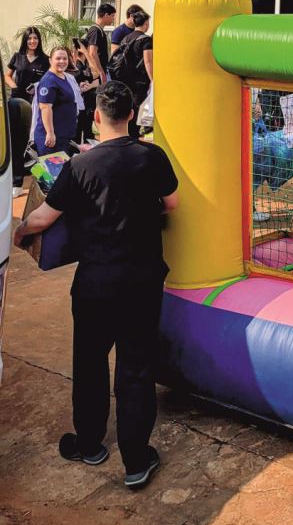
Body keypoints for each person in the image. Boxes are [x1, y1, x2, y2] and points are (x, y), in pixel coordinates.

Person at [13, 81, 179, 488]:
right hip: (142, 280)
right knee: (136, 368)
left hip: (95, 282)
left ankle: (89, 444)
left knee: (89, 362)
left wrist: (20, 231)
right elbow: (172, 204)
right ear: (131, 114)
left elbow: (43, 219)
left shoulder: (79, 167)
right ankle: (137, 461)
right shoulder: (152, 157)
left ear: (98, 117)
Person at [111, 10, 153, 138]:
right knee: (138, 109)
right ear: (146, 23)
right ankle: (134, 137)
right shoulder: (145, 40)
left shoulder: (126, 38)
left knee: (128, 108)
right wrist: (153, 79)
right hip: (139, 81)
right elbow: (148, 61)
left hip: (124, 80)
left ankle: (126, 134)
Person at [33, 46, 78, 156]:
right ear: (50, 60)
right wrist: (50, 133)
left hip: (63, 136)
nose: (62, 61)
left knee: (62, 172)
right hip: (51, 139)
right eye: (58, 58)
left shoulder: (63, 77)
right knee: (51, 173)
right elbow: (45, 108)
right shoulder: (49, 81)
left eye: (65, 58)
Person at [3, 27, 50, 102]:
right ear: (25, 40)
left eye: (35, 38)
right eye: (29, 38)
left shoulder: (46, 60)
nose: (32, 41)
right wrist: (14, 86)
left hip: (37, 101)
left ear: (39, 40)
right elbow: (7, 76)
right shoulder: (17, 56)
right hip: (17, 100)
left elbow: (49, 80)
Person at [71, 39, 99, 144]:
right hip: (81, 107)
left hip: (87, 105)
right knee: (78, 136)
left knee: (87, 134)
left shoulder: (84, 66)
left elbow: (97, 80)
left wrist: (92, 85)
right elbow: (96, 73)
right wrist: (86, 53)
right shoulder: (77, 67)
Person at [84, 3, 116, 85]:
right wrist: (101, 72)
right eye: (112, 16)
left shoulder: (100, 31)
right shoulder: (95, 30)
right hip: (95, 73)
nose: (113, 19)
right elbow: (92, 53)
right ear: (106, 15)